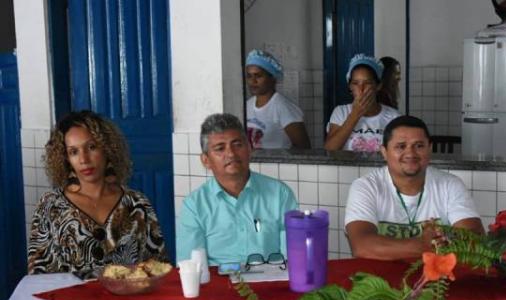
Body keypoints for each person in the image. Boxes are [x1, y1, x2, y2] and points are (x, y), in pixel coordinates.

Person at [27, 111, 167, 280]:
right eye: (74, 152)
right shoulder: (50, 206)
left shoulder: (137, 203)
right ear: (65, 159)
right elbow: (37, 276)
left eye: (92, 147)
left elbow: (158, 268)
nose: (84, 159)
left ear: (107, 149)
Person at [344, 115, 485, 261]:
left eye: (419, 146)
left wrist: (405, 248)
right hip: (379, 279)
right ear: (384, 152)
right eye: (401, 146)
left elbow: (475, 238)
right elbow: (361, 246)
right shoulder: (366, 187)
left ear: (430, 148)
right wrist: (424, 245)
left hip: (437, 280)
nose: (411, 154)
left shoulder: (450, 184)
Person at [176, 113, 298, 266]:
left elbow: (294, 258)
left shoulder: (280, 194)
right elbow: (190, 266)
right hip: (218, 286)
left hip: (270, 283)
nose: (231, 154)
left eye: (237, 145)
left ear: (249, 149)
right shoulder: (194, 205)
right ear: (206, 160)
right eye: (220, 148)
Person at [324, 54, 401, 152]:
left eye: (367, 83)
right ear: (350, 87)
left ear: (378, 86)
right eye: (355, 83)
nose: (361, 89)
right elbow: (329, 149)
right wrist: (354, 115)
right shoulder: (341, 112)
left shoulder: (394, 116)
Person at [245, 49, 311, 149]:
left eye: (258, 76)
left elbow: (304, 148)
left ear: (273, 78)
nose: (253, 81)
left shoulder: (284, 108)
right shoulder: (246, 106)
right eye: (249, 76)